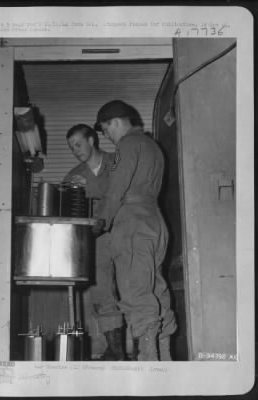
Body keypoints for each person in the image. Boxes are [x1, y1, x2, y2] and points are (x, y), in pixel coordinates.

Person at [93, 100, 177, 361]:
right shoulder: (153, 147)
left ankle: (149, 361)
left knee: (135, 288)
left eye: (106, 130)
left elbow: (116, 188)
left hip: (132, 223)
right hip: (155, 222)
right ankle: (165, 357)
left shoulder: (125, 147)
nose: (107, 137)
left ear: (116, 123)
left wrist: (101, 221)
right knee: (155, 288)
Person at [63, 123, 125, 360]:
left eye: (78, 144)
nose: (75, 150)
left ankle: (141, 351)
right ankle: (117, 351)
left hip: (126, 236)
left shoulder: (119, 163)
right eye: (71, 147)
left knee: (133, 291)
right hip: (97, 243)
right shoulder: (73, 177)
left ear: (92, 140)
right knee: (102, 294)